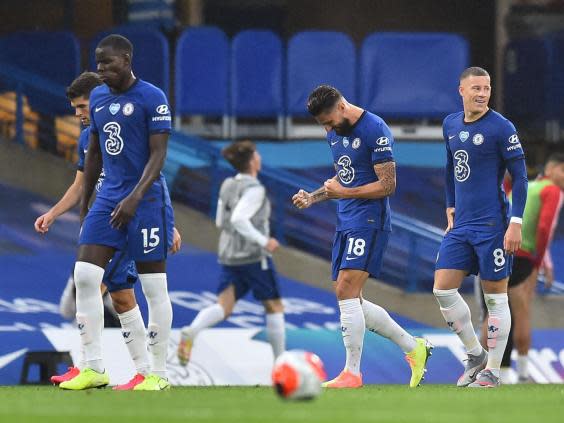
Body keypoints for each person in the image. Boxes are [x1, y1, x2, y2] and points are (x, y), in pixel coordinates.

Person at [34, 71, 181, 390]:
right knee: (120, 294)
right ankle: (136, 371)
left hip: (139, 216)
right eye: (75, 108)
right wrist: (54, 213)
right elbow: (81, 184)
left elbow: (154, 175)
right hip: (109, 221)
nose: (78, 114)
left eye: (82, 106)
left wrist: (169, 224)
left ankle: (141, 371)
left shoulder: (132, 125)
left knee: (132, 289)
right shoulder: (88, 137)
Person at [292, 85, 432, 389]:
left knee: (345, 290)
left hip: (369, 220)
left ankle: (352, 373)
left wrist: (344, 193)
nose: (327, 129)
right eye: (323, 125)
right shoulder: (335, 131)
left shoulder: (375, 129)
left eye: (329, 121)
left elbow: (388, 185)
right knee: (349, 296)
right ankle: (413, 347)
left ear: (342, 106)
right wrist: (314, 197)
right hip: (346, 219)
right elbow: (344, 178)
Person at [433, 66, 528, 388]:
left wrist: (515, 223)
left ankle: (493, 372)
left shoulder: (501, 128)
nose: (482, 93)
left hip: (492, 225)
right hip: (462, 224)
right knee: (442, 288)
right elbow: (450, 168)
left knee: (495, 299)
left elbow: (522, 178)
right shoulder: (450, 124)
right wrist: (450, 205)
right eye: (476, 88)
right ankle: (475, 355)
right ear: (461, 90)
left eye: (486, 88)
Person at [177, 140, 285, 365]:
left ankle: (192, 330)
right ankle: (279, 364)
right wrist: (263, 240)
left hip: (229, 255)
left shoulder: (227, 184)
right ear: (253, 160)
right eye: (257, 154)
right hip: (254, 257)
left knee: (224, 307)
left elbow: (220, 221)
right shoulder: (255, 189)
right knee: (274, 306)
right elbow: (238, 219)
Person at [484, 153, 564, 383]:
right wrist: (539, 264)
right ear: (554, 169)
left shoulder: (525, 189)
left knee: (493, 313)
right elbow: (544, 228)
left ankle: (486, 369)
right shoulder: (553, 191)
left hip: (494, 249)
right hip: (522, 252)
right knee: (521, 311)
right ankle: (521, 372)